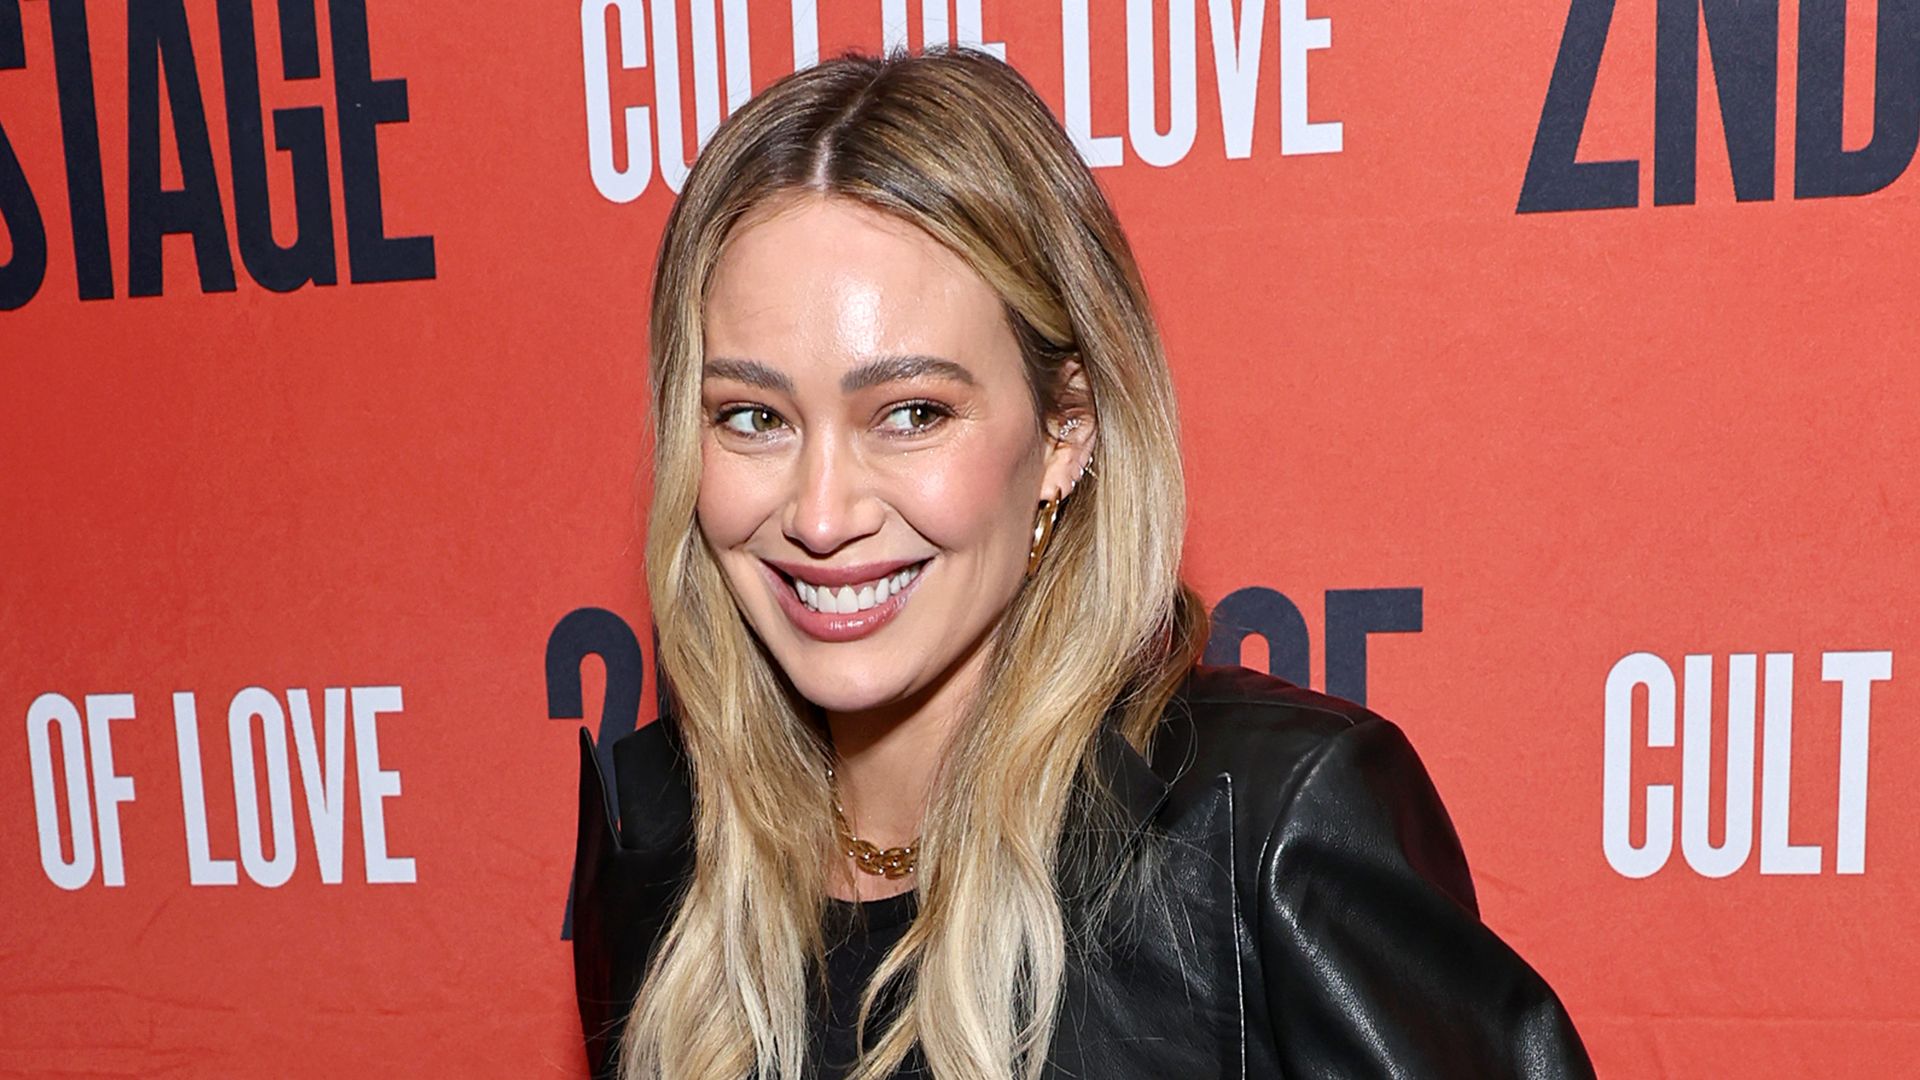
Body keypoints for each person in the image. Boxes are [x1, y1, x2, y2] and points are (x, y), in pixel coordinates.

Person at [571, 45, 1595, 1080]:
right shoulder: (666, 857)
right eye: (752, 417)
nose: (822, 514)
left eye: (913, 413)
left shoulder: (1262, 842)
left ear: (1067, 429)